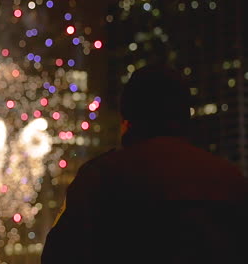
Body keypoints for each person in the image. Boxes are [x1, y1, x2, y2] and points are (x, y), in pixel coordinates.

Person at [41, 65, 248, 263]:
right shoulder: (230, 180)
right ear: (186, 116)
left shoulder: (100, 177)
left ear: (126, 120)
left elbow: (59, 255)